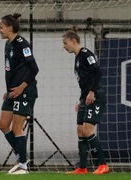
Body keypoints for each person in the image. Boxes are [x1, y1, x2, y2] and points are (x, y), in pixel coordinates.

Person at [63, 28, 109, 175]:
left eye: (65, 43)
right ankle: (82, 168)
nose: (64, 46)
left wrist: (92, 92)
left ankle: (103, 165)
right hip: (86, 98)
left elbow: (97, 72)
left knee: (88, 130)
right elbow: (86, 81)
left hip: (96, 96)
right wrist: (81, 99)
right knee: (80, 131)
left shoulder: (86, 54)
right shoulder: (77, 57)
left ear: (73, 41)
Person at [0, 13, 39, 175]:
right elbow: (11, 71)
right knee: (2, 125)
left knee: (16, 128)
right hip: (12, 92)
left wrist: (21, 87)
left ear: (9, 28)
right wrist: (8, 91)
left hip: (25, 91)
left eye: (1, 27)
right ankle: (22, 156)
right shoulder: (8, 44)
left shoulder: (22, 44)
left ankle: (22, 165)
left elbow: (34, 69)